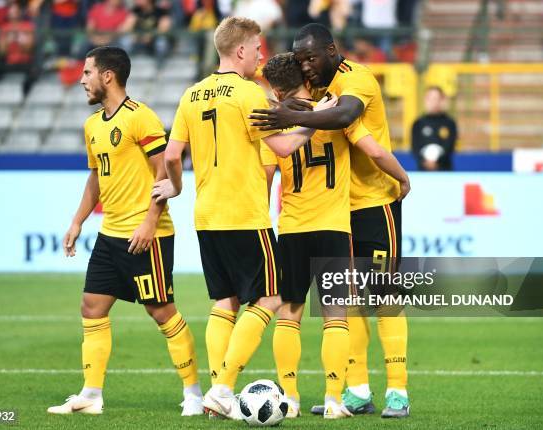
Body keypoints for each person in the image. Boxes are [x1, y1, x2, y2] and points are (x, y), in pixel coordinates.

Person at [151, 17, 336, 420]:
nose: (261, 54)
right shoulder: (248, 94)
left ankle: (216, 393)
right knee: (269, 298)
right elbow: (284, 148)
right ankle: (222, 388)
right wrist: (315, 117)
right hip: (245, 213)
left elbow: (169, 156)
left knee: (224, 301)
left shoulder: (192, 94)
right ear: (239, 51)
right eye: (256, 48)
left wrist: (175, 187)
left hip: (206, 214)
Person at [249, 22, 411, 419]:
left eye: (311, 58)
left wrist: (287, 111)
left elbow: (346, 116)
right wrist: (295, 109)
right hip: (336, 212)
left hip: (374, 202)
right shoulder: (314, 95)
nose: (306, 66)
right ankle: (355, 390)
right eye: (300, 61)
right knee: (347, 304)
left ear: (332, 50)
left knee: (384, 297)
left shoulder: (356, 79)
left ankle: (398, 391)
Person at [47, 46, 202, 417]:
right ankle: (91, 394)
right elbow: (96, 177)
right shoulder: (93, 124)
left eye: (87, 73)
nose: (82, 80)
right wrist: (77, 220)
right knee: (92, 306)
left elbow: (162, 171)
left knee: (161, 310)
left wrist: (150, 220)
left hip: (146, 234)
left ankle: (195, 395)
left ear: (108, 76)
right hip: (110, 232)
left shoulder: (141, 118)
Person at [411, 86, 457, 171]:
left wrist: (437, 162)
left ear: (442, 100)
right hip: (423, 172)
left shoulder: (450, 123)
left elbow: (450, 146)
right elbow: (415, 148)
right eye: (430, 99)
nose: (433, 102)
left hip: (444, 171)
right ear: (425, 100)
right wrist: (425, 162)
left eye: (436, 98)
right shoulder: (418, 123)